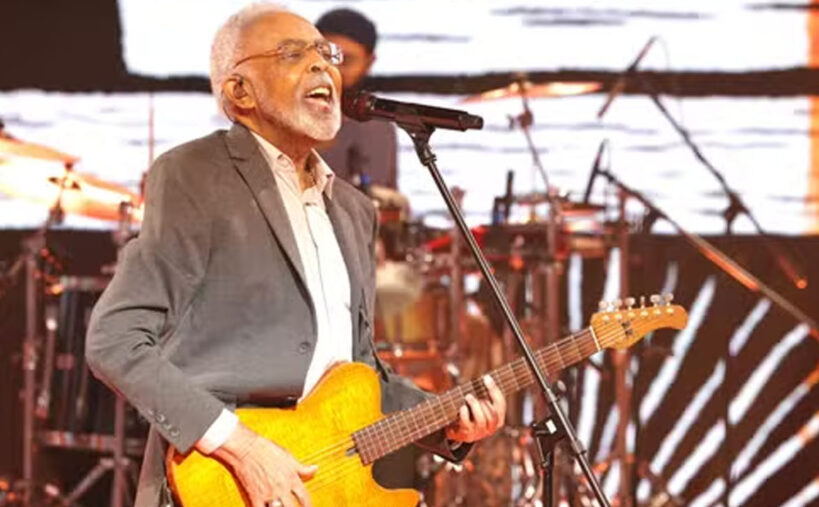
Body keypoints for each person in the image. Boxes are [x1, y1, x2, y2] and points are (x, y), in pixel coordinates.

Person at [84, 5, 505, 507]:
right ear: (240, 92)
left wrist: (449, 422)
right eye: (292, 53)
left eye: (327, 55)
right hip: (224, 482)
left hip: (323, 487)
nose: (323, 65)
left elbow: (359, 374)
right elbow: (114, 340)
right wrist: (244, 449)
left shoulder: (352, 210)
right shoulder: (196, 173)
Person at [314, 8, 399, 189]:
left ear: (369, 62)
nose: (333, 69)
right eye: (326, 57)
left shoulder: (379, 126)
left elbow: (387, 198)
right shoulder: (284, 116)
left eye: (347, 61)